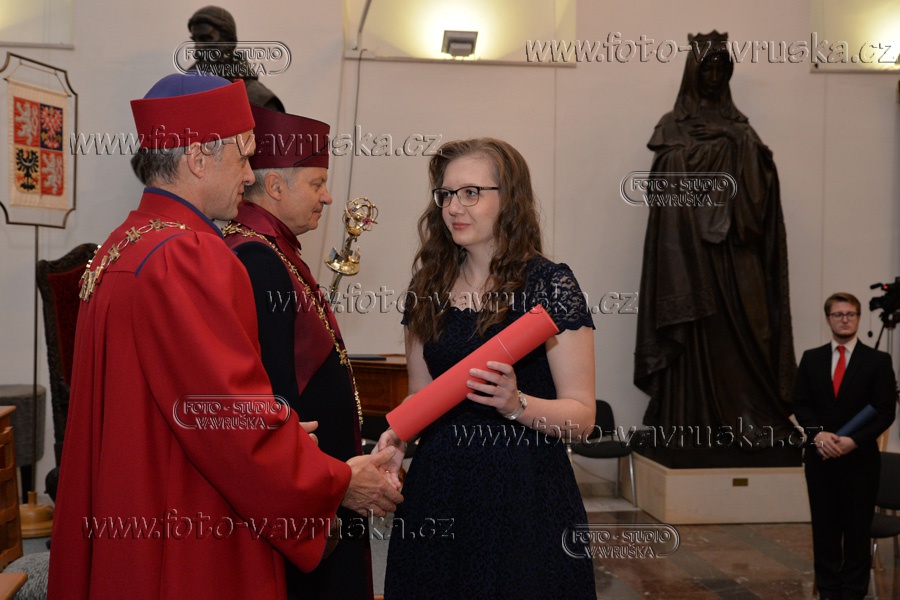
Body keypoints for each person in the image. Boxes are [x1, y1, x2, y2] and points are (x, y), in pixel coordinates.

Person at [47, 73, 402, 600]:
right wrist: (333, 481)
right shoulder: (188, 254)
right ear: (197, 158)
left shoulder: (122, 246)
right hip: (186, 524)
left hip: (134, 505)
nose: (250, 175)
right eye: (243, 157)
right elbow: (234, 424)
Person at [377, 138, 597, 599]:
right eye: (446, 194)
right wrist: (398, 437)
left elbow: (581, 418)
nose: (454, 207)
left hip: (525, 492)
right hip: (440, 489)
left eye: (471, 193)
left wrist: (516, 404)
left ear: (509, 198)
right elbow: (421, 396)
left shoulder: (550, 285)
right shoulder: (427, 287)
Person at [222, 104, 374, 599]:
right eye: (317, 183)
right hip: (308, 500)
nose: (327, 196)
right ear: (275, 186)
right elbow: (274, 402)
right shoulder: (257, 258)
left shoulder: (273, 250)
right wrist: (328, 484)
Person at [633, 30, 797, 466]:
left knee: (753, 331)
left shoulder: (742, 130)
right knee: (692, 333)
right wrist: (681, 162)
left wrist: (739, 145)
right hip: (688, 255)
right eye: (706, 67)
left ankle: (755, 419)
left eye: (721, 68)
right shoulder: (672, 125)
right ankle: (688, 423)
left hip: (736, 252)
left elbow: (762, 194)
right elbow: (660, 186)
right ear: (693, 71)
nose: (713, 75)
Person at [792, 292, 896, 600]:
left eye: (850, 314)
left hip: (860, 461)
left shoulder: (878, 360)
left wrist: (854, 441)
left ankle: (853, 592)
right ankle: (828, 591)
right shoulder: (812, 358)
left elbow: (885, 411)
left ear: (859, 317)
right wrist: (818, 434)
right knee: (824, 531)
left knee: (856, 531)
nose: (845, 319)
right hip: (820, 458)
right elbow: (800, 403)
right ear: (828, 319)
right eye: (838, 314)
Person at [187, 5, 285, 112]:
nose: (198, 47)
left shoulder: (259, 100)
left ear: (230, 43)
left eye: (206, 38)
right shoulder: (185, 94)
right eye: (195, 40)